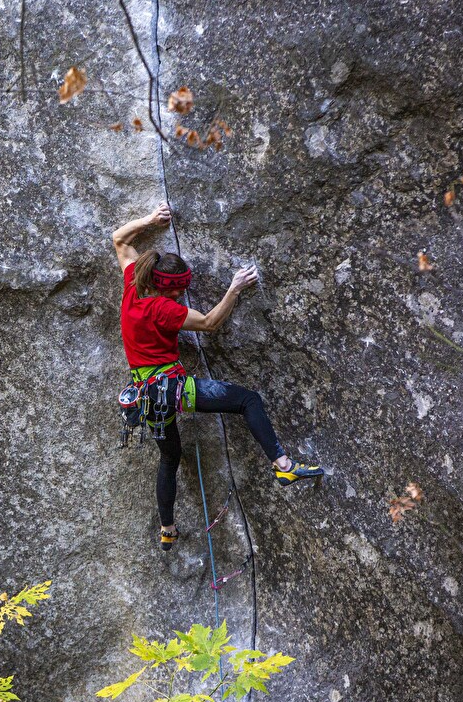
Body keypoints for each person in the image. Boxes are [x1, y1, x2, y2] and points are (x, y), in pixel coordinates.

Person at [113, 202, 323, 551]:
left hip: (145, 394)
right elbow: (209, 323)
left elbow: (120, 238)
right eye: (180, 290)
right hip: (175, 390)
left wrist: (151, 220)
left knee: (169, 457)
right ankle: (283, 465)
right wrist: (235, 288)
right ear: (169, 290)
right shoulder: (164, 309)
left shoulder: (133, 283)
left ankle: (167, 529)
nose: (182, 294)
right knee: (247, 399)